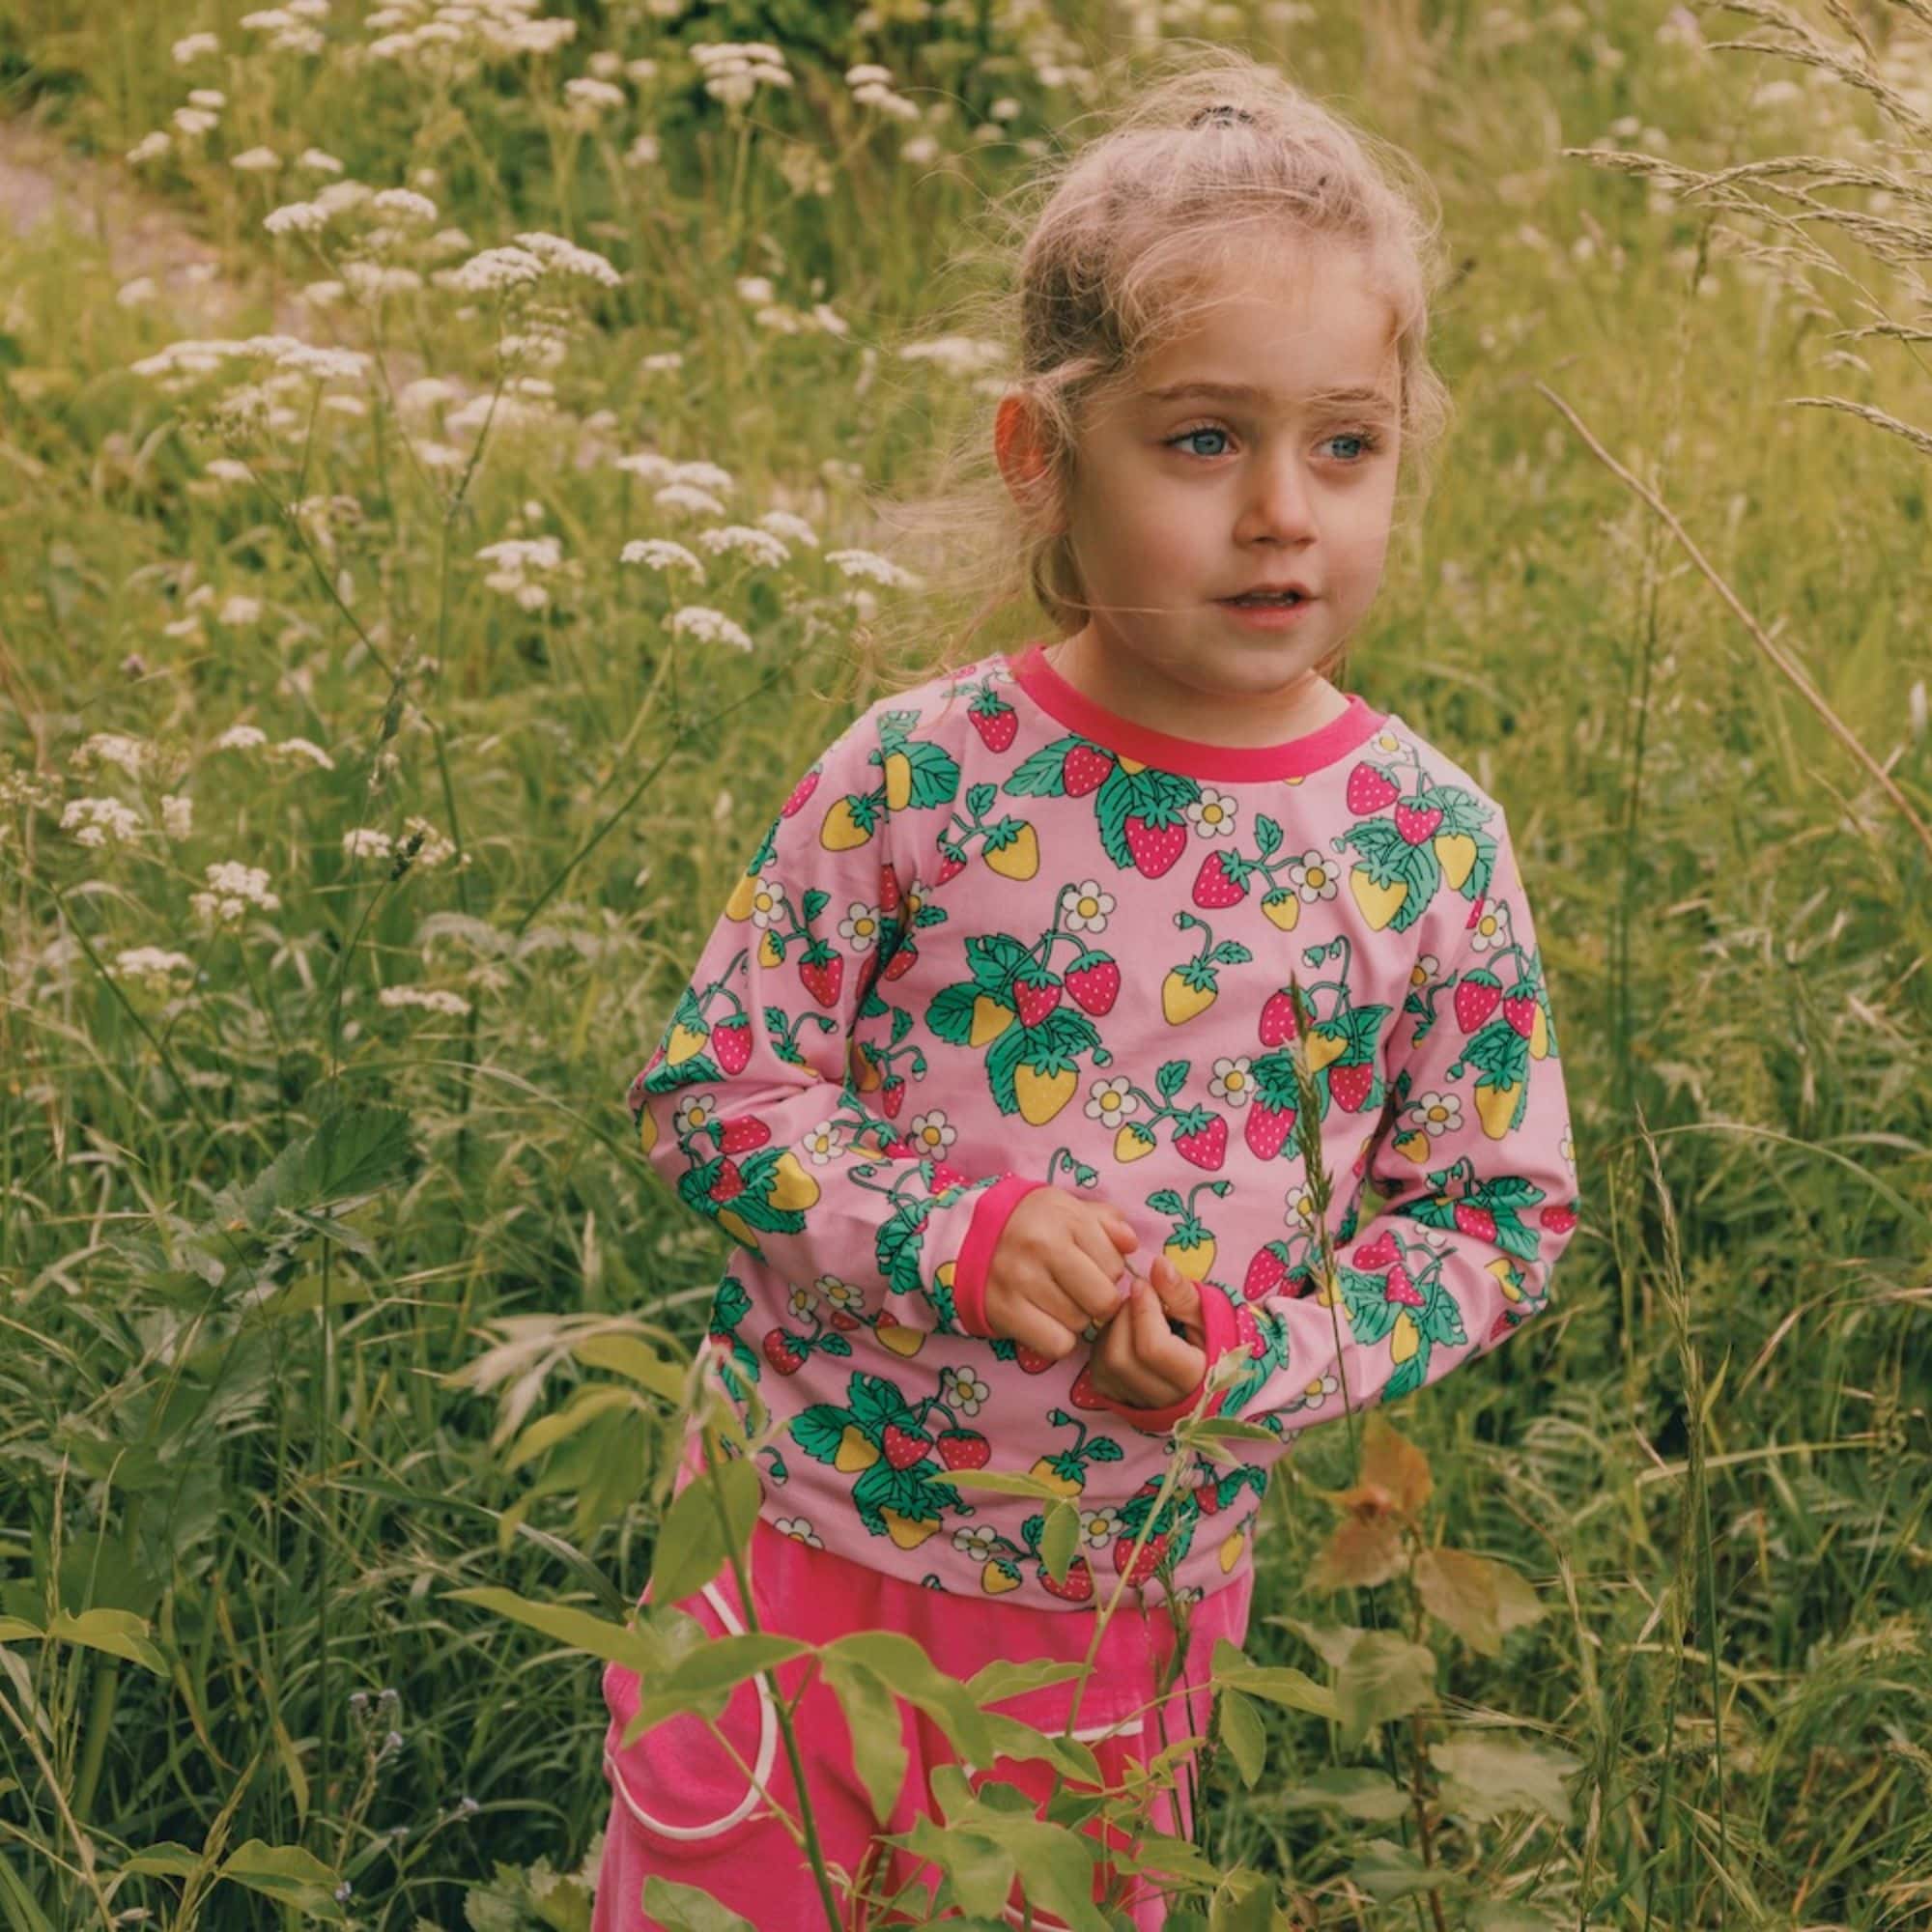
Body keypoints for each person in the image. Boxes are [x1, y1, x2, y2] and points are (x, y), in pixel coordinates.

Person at [594, 43, 1580, 1932]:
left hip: (1121, 1592)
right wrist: (941, 1232)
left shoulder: (1422, 840)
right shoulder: (923, 771)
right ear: (1044, 454)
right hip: (790, 1531)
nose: (1281, 510)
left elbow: (1489, 1218)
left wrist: (1276, 1361)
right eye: (1202, 439)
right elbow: (715, 1092)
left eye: (1343, 444)